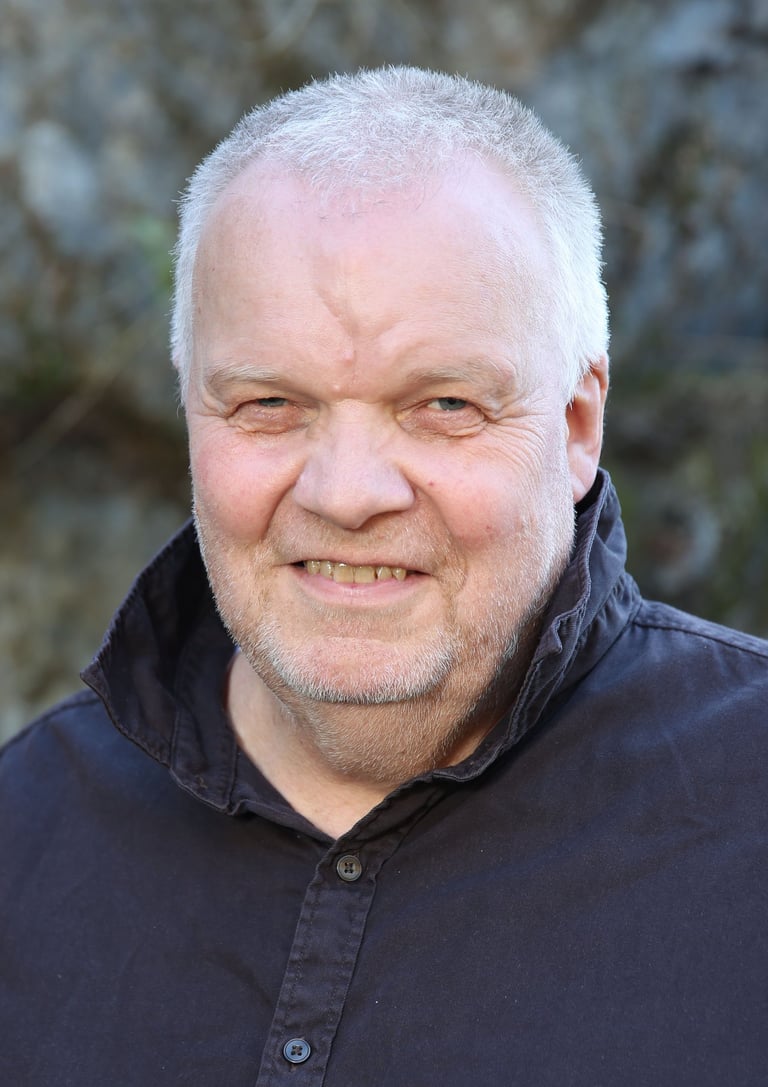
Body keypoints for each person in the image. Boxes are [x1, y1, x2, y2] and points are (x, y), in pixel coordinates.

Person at [1, 67, 766, 1086]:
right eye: (270, 403)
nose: (348, 493)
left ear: (578, 426)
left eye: (443, 405)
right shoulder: (23, 837)